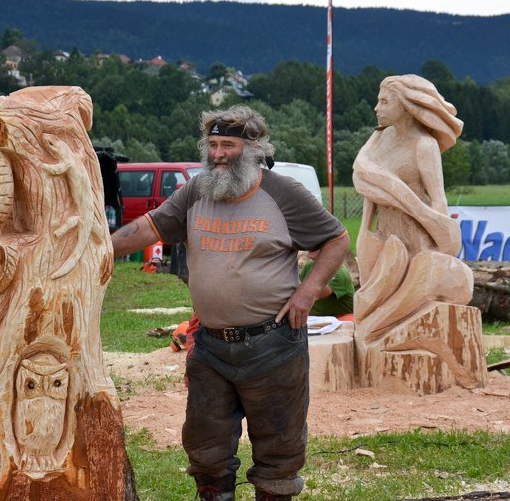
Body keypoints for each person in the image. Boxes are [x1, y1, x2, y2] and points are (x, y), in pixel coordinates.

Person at [111, 105, 349, 501]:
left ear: (254, 148)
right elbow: (148, 227)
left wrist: (308, 291)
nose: (218, 153)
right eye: (213, 144)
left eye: (229, 145)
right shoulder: (196, 191)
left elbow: (336, 239)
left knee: (279, 451)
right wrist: (98, 248)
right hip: (210, 346)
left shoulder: (283, 193)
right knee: (206, 450)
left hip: (273, 344)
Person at [352, 75, 471, 337]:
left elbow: (437, 197)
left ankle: (400, 336)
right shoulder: (378, 140)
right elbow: (366, 183)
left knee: (409, 300)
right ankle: (375, 336)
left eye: (384, 101)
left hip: (415, 238)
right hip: (383, 235)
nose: (376, 108)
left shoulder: (424, 145)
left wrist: (440, 237)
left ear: (406, 106)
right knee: (372, 298)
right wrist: (364, 233)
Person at [299, 250, 354, 316]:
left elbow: (311, 295)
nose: (310, 254)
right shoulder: (310, 265)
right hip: (315, 318)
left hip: (340, 319)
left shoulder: (339, 272)